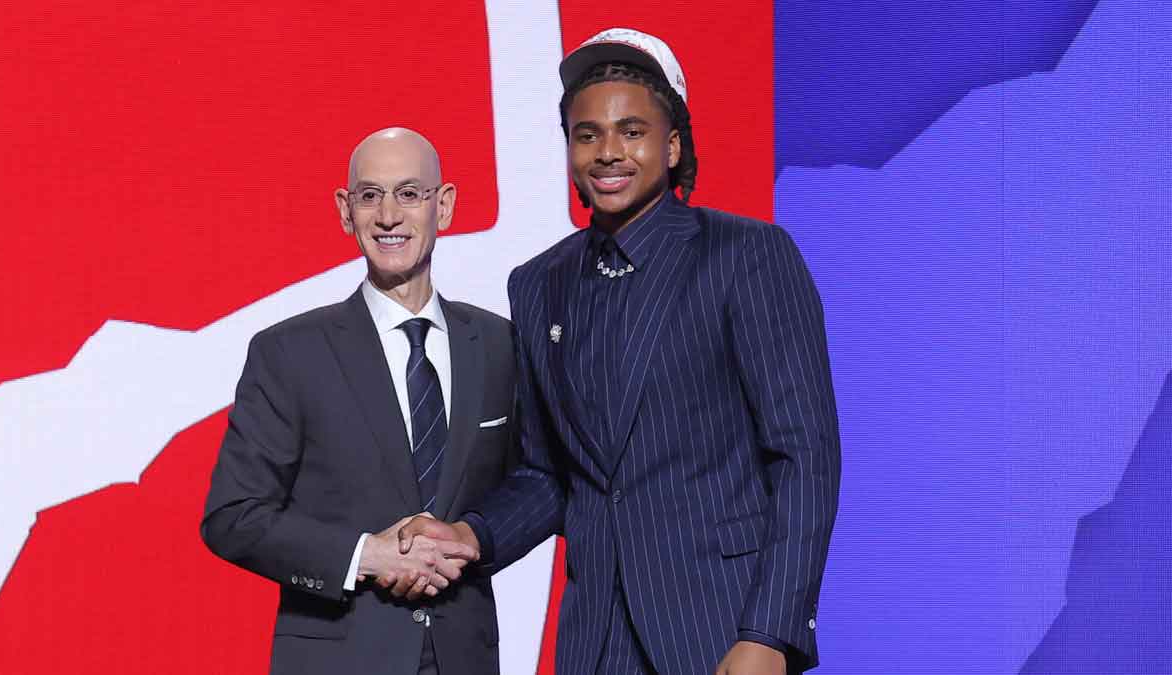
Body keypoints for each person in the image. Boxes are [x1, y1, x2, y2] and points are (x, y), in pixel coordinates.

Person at [400, 29, 841, 675]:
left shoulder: (747, 256)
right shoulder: (539, 282)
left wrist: (771, 632)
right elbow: (549, 475)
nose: (608, 152)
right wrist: (472, 535)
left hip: (723, 630)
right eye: (586, 135)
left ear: (672, 144)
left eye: (631, 130)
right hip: (595, 638)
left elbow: (804, 457)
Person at [201, 127, 517, 675]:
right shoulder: (288, 353)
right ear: (346, 212)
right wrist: (365, 555)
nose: (389, 215)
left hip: (465, 656)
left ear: (443, 207)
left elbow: (533, 487)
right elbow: (233, 517)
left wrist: (469, 542)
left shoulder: (499, 345)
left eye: (409, 193)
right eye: (370, 195)